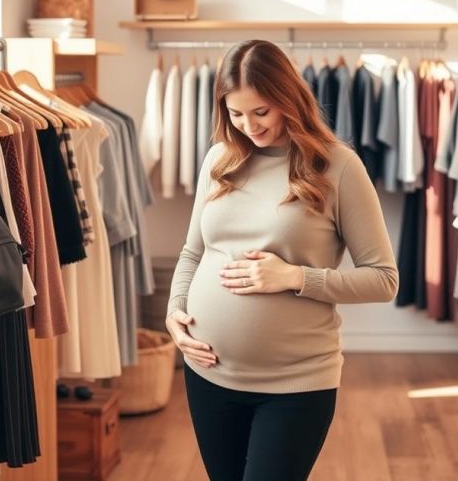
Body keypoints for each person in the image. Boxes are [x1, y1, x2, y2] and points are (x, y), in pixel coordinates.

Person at [166, 39, 399, 481]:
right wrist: (175, 311)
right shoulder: (219, 159)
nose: (249, 126)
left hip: (295, 383)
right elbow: (193, 250)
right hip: (208, 372)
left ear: (288, 99)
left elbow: (383, 279)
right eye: (235, 114)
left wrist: (294, 277)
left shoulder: (337, 167)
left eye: (261, 112)